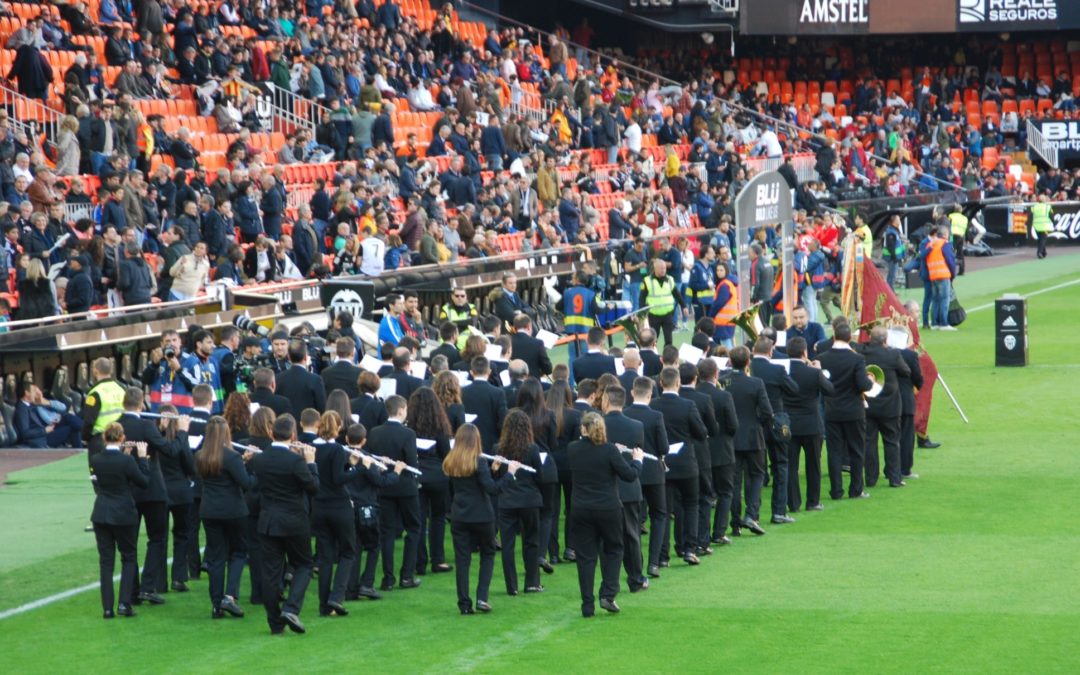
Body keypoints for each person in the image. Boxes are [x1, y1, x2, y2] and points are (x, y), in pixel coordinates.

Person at [118, 386, 191, 603]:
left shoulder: (117, 425)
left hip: (129, 491)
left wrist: (159, 431)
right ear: (142, 404)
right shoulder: (145, 425)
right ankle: (147, 587)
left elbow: (154, 444)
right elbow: (169, 450)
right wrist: (183, 431)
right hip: (152, 491)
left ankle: (132, 591)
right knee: (157, 538)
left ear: (124, 403)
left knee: (130, 545)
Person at [568, 412, 643, 617]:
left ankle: (587, 605)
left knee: (585, 557)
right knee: (613, 549)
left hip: (581, 509)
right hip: (608, 509)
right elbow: (629, 475)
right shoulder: (609, 450)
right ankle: (608, 594)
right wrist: (637, 460)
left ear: (583, 429)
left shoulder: (573, 449)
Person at [250, 414, 319, 635]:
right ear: (292, 435)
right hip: (294, 521)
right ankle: (291, 608)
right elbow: (313, 487)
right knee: (304, 564)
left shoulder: (259, 459)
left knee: (271, 573)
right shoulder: (296, 461)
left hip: (269, 521)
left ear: (271, 433)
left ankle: (274, 622)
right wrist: (311, 463)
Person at [444, 424, 517, 614]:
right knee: (488, 553)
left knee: (463, 560)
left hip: (459, 515)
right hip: (482, 516)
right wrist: (510, 474)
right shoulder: (478, 460)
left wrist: (493, 469)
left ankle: (464, 604)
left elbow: (478, 483)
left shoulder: (452, 461)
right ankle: (482, 597)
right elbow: (492, 489)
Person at [196, 416, 255, 620]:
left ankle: (216, 604)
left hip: (209, 511)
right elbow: (246, 483)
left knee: (216, 556)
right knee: (238, 552)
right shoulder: (231, 457)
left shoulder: (200, 456)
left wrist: (242, 462)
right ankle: (229, 596)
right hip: (233, 511)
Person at [89, 423, 149, 618]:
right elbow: (144, 481)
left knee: (106, 562)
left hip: (101, 512)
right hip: (123, 513)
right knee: (129, 557)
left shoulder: (96, 459)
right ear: (122, 438)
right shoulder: (126, 461)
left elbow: (99, 479)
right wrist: (141, 459)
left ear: (105, 438)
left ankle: (107, 608)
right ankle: (124, 604)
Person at [649, 366, 707, 565]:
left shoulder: (653, 405)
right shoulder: (688, 405)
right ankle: (689, 548)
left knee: (664, 511)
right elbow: (701, 432)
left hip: (663, 464)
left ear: (661, 383)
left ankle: (663, 557)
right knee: (691, 504)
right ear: (678, 383)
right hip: (686, 463)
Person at [343, 422, 405, 601]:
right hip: (366, 509)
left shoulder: (343, 454)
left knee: (354, 547)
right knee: (373, 545)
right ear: (363, 441)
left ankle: (351, 588)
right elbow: (381, 482)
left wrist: (379, 466)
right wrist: (397, 472)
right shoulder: (365, 459)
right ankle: (367, 584)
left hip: (349, 507)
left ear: (347, 438)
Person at [369, 395, 422, 590]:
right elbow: (412, 463)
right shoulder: (408, 434)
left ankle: (388, 577)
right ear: (401, 411)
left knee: (387, 532)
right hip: (406, 487)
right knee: (414, 528)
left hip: (384, 487)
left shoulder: (374, 432)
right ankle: (406, 575)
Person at [599, 385, 649, 593]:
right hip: (628, 486)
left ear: (607, 401)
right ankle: (636, 578)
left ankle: (609, 580)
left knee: (606, 538)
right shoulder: (636, 426)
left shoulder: (598, 425)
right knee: (631, 535)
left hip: (606, 488)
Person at [818, 322, 874, 500]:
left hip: (832, 411)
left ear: (834, 337)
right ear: (850, 338)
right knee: (856, 450)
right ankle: (856, 489)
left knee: (834, 451)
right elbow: (863, 385)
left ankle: (836, 491)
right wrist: (870, 380)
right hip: (853, 411)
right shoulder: (856, 359)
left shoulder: (823, 358)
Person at [491, 409, 545, 595]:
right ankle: (532, 582)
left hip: (507, 501)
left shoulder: (498, 449)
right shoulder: (532, 449)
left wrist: (495, 469)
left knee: (508, 544)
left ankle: (511, 586)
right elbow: (540, 476)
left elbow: (496, 478)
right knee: (531, 541)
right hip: (529, 501)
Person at [311, 411, 358, 617]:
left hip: (319, 507)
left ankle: (324, 604)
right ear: (337, 428)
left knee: (325, 556)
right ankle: (336, 596)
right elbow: (339, 478)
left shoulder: (312, 449)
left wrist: (349, 465)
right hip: (339, 506)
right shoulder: (337, 449)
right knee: (348, 551)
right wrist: (358, 469)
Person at [749, 338, 799, 524]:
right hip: (776, 422)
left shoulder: (749, 369)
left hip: (753, 424)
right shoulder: (777, 370)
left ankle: (752, 515)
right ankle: (778, 511)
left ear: (754, 351)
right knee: (781, 465)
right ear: (771, 352)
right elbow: (794, 389)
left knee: (754, 471)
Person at [783, 337, 833, 513]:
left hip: (789, 424)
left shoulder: (782, 372)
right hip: (812, 424)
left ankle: (793, 503)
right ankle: (813, 502)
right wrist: (820, 371)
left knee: (791, 465)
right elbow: (830, 390)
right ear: (805, 352)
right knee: (813, 464)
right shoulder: (813, 372)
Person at [726, 346, 773, 537]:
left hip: (732, 439)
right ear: (748, 362)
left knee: (735, 481)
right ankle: (751, 515)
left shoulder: (724, 382)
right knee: (756, 476)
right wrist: (758, 424)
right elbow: (767, 412)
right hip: (753, 437)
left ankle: (735, 522)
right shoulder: (756, 383)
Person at [407, 388, 454, 576]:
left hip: (417, 475)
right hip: (438, 477)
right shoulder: (441, 427)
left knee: (419, 520)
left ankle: (420, 562)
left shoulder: (409, 427)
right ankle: (438, 560)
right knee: (438, 518)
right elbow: (446, 454)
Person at [694, 358, 738, 547]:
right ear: (716, 374)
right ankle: (719, 532)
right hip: (722, 450)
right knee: (725, 491)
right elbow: (733, 425)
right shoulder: (723, 396)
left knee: (702, 495)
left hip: (699, 452)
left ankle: (700, 535)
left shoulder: (691, 396)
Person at [861, 326, 911, 489]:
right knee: (892, 442)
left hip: (869, 405)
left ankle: (870, 478)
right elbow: (906, 372)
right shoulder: (893, 354)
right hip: (890, 406)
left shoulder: (863, 352)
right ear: (885, 339)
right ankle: (894, 478)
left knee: (869, 443)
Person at [82, 357, 128, 457]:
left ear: (95, 370)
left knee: (97, 471)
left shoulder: (95, 393)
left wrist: (85, 437)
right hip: (120, 437)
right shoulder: (121, 389)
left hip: (100, 438)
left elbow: (89, 420)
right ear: (111, 370)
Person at [461, 356, 508, 453]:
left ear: (471, 372)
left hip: (466, 443)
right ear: (489, 372)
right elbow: (503, 421)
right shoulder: (498, 393)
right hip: (489, 445)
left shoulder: (462, 391)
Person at [14, 383, 83, 448]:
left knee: (68, 417)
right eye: (34, 391)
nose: (36, 394)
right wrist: (45, 430)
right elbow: (25, 433)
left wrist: (42, 401)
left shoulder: (32, 404)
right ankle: (85, 438)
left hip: (48, 429)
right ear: (27, 393)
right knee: (72, 428)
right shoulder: (22, 409)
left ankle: (85, 431)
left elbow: (62, 407)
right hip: (42, 438)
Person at [896, 327, 925, 479]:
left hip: (888, 401)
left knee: (890, 437)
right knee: (906, 437)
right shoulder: (910, 355)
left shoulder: (884, 353)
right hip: (906, 400)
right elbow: (918, 378)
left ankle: (891, 470)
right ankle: (904, 469)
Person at [640, 258, 688, 347]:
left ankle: (668, 358)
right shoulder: (647, 281)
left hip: (668, 314)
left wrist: (684, 306)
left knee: (669, 340)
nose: (663, 270)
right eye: (661, 268)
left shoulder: (670, 279)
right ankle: (654, 357)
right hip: (653, 315)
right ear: (655, 268)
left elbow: (677, 294)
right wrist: (643, 315)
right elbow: (642, 299)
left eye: (664, 268)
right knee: (653, 340)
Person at [275, 340, 327, 418]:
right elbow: (322, 407)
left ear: (289, 357)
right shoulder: (315, 379)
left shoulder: (278, 378)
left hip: (285, 426)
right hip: (309, 425)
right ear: (306, 357)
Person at [922, 226, 957, 331]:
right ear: (945, 234)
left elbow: (923, 258)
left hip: (933, 275)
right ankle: (944, 323)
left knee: (936, 300)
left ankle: (934, 323)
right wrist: (953, 274)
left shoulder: (930, 244)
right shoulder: (944, 244)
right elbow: (950, 261)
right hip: (943, 274)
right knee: (944, 299)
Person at [562, 270, 601, 359]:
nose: (572, 279)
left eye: (573, 277)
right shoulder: (590, 294)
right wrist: (607, 308)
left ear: (577, 280)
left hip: (571, 330)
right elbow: (596, 310)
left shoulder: (567, 293)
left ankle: (572, 373)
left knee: (572, 357)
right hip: (586, 331)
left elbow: (558, 306)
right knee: (586, 356)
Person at [947, 205, 969, 276]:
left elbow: (947, 225)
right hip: (961, 236)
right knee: (960, 253)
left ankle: (950, 270)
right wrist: (967, 239)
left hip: (953, 235)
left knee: (951, 251)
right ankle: (962, 270)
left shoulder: (951, 216)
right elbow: (966, 229)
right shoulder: (965, 218)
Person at [1030, 194, 1053, 259]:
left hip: (1036, 225)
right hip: (1045, 225)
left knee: (1040, 239)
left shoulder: (1034, 206)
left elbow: (1030, 216)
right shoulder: (1047, 207)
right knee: (1043, 239)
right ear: (1044, 200)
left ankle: (1044, 252)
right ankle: (1039, 252)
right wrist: (1053, 222)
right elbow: (1051, 216)